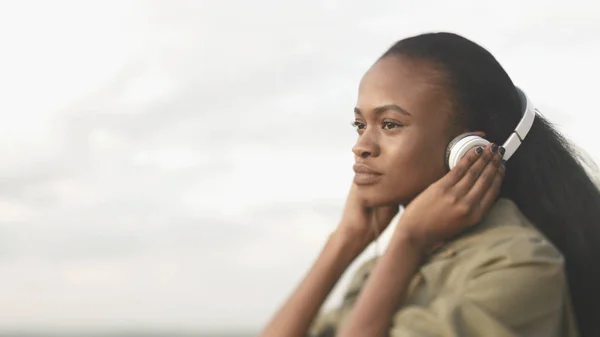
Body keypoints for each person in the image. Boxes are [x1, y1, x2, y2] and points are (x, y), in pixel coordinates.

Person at [259, 32, 600, 337]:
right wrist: (344, 242)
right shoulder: (379, 269)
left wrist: (408, 240)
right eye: (360, 124)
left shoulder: (519, 265)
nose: (361, 145)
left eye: (390, 124)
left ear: (469, 150)